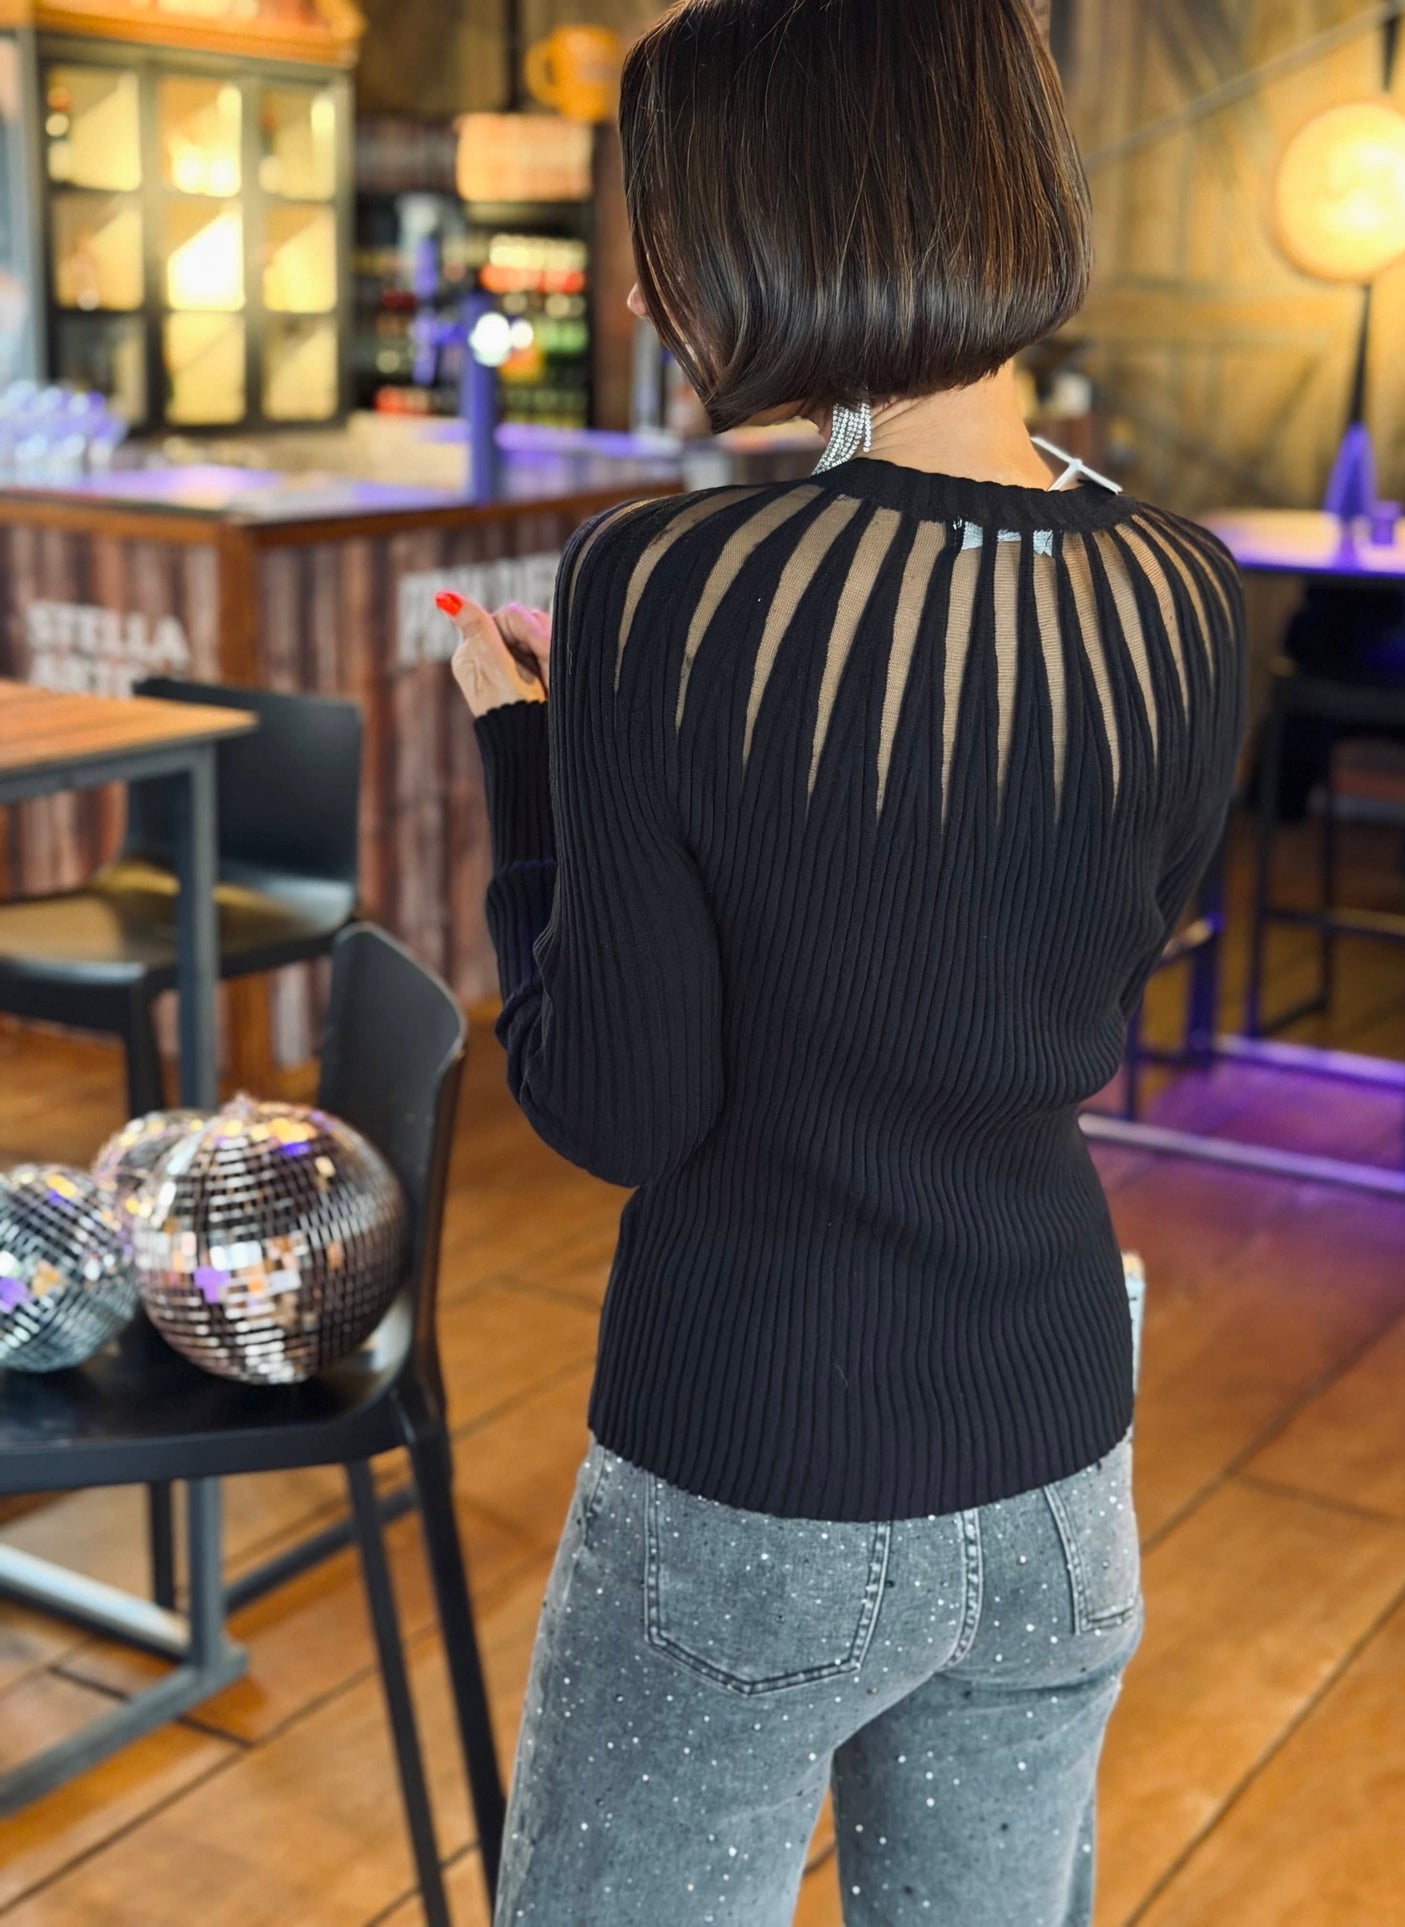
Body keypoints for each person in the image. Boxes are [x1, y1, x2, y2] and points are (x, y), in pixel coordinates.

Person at [437, 1, 1245, 1919]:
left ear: (785, 226)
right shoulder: (1190, 591)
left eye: (674, 229)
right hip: (1060, 1454)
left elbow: (618, 1108)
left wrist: (526, 761)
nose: (649, 288)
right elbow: (1067, 988)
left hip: (757, 1456)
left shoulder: (664, 587)